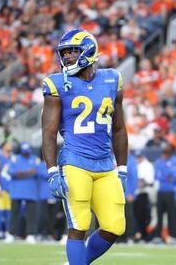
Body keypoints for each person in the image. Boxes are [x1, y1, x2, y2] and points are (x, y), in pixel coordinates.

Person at [41, 29, 128, 265]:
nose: (67, 58)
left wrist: (122, 168)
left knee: (115, 226)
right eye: (65, 53)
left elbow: (119, 128)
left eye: (73, 52)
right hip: (74, 161)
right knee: (79, 225)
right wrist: (51, 171)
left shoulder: (112, 80)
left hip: (105, 163)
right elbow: (48, 133)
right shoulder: (57, 84)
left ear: (89, 50)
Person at [7, 142, 40, 244]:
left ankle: (30, 234)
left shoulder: (35, 159)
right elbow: (12, 173)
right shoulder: (14, 158)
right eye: (24, 152)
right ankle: (11, 234)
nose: (26, 154)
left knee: (31, 215)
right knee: (14, 213)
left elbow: (38, 172)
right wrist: (28, 173)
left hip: (30, 191)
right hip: (17, 191)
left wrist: (21, 174)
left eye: (28, 152)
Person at [152, 143, 176, 243]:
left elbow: (175, 176)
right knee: (159, 215)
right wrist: (167, 176)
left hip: (171, 191)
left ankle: (173, 236)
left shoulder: (175, 161)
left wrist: (167, 176)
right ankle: (158, 236)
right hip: (161, 191)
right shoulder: (159, 161)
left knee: (171, 215)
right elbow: (157, 176)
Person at [134, 150, 154, 242]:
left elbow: (149, 181)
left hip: (144, 193)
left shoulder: (148, 166)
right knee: (135, 215)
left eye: (140, 157)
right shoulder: (135, 164)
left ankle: (144, 235)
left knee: (144, 216)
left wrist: (140, 182)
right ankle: (137, 234)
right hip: (134, 193)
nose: (138, 159)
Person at [0, 141, 13, 240]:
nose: (10, 146)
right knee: (0, 211)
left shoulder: (13, 157)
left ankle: (7, 231)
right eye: (8, 144)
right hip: (1, 188)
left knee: (9, 212)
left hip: (10, 189)